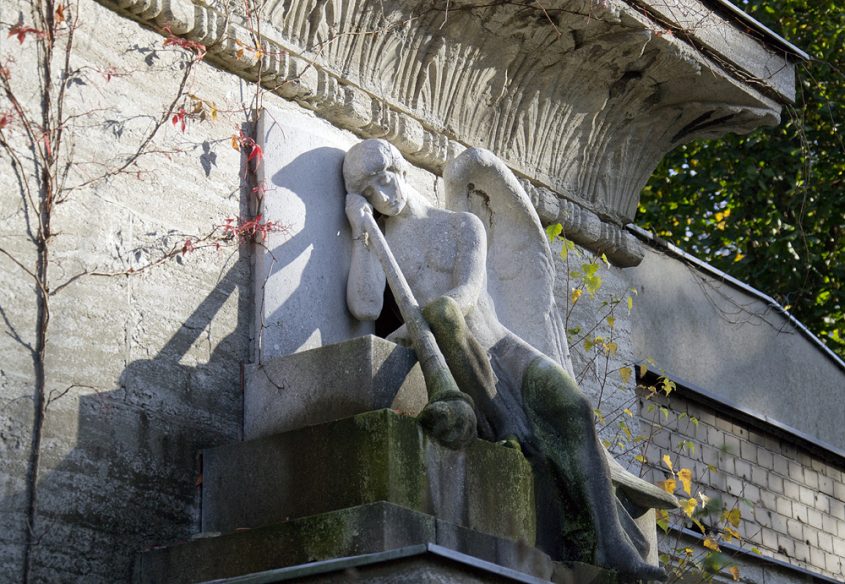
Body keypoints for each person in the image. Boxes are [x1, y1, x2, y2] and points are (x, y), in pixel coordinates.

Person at [343, 139, 665, 581]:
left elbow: (466, 297)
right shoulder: (383, 244)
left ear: (401, 169)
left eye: (387, 176)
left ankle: (616, 550)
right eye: (370, 188)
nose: (385, 191)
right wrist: (362, 235)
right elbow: (362, 306)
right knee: (439, 313)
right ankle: (506, 425)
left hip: (502, 349)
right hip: (459, 360)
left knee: (574, 408)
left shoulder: (463, 224)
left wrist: (416, 327)